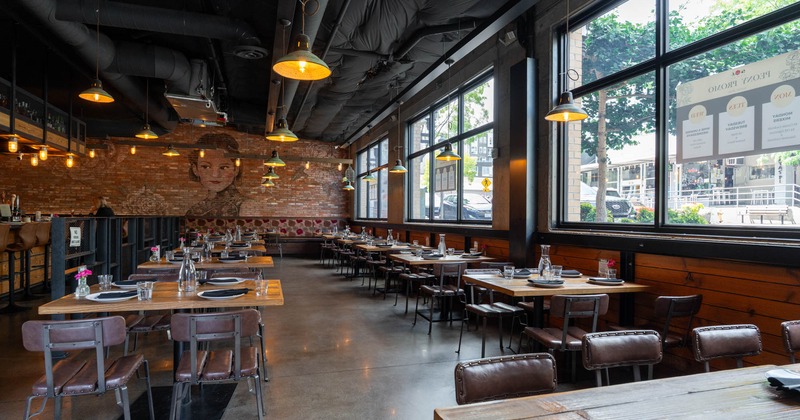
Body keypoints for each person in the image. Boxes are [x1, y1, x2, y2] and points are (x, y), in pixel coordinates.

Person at [186, 132, 256, 216]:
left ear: (236, 169)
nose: (215, 175)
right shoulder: (194, 210)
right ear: (195, 169)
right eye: (206, 167)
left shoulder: (246, 206)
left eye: (223, 167)